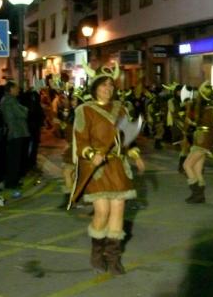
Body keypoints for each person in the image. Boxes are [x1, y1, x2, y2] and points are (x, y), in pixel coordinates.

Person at [71, 62, 145, 275]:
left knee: (119, 207)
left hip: (117, 165)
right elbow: (81, 140)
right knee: (102, 211)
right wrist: (91, 155)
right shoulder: (84, 110)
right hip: (98, 168)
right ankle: (97, 254)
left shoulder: (120, 108)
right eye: (103, 85)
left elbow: (126, 137)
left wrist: (135, 155)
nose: (108, 89)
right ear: (94, 88)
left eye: (111, 85)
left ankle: (113, 258)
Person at [182, 81, 213, 204]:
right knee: (197, 170)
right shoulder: (202, 109)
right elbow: (201, 124)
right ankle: (200, 196)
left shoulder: (211, 109)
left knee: (187, 165)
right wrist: (191, 122)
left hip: (204, 141)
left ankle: (196, 193)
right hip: (199, 139)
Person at [0, 81, 30, 190]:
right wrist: (25, 109)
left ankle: (12, 181)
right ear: (11, 89)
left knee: (13, 158)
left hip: (13, 132)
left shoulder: (6, 100)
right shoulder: (11, 100)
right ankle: (12, 182)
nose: (19, 90)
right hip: (16, 132)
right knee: (15, 159)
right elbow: (23, 113)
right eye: (17, 88)